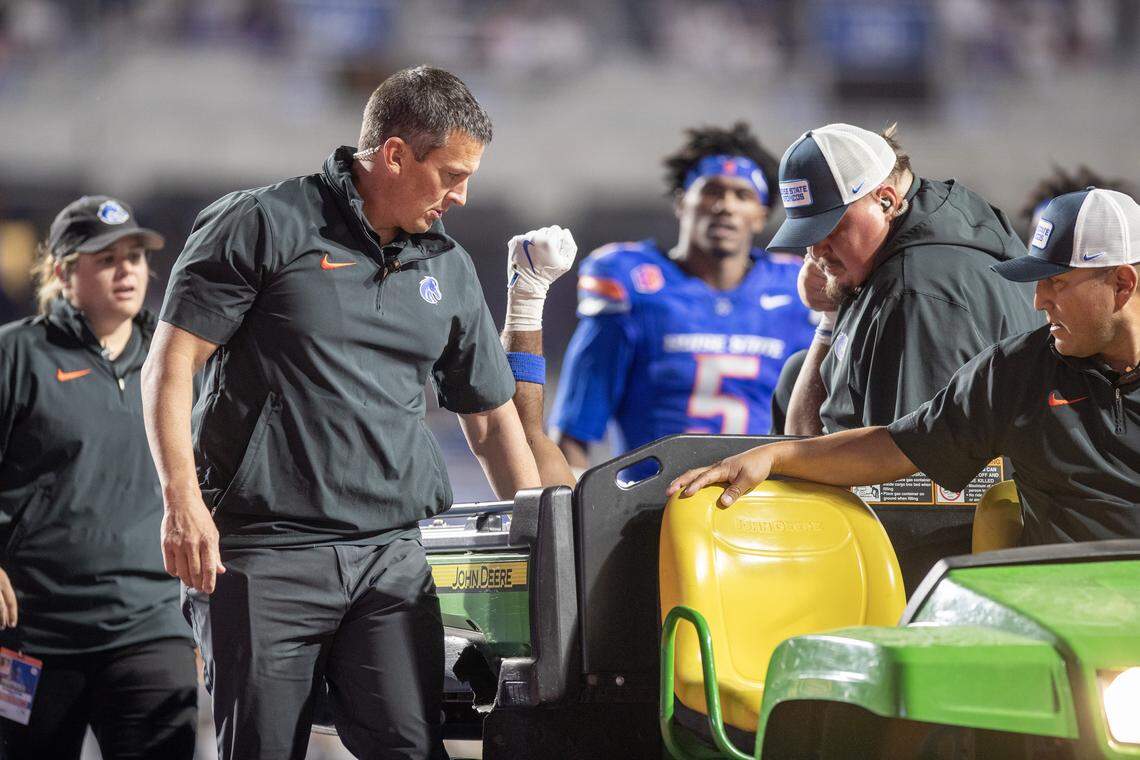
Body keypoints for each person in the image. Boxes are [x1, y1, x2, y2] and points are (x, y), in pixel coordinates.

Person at [141, 65, 568, 759]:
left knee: (413, 749)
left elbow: (490, 423)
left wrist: (541, 539)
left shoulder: (448, 267)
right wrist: (181, 501)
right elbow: (170, 364)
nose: (462, 197)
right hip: (265, 553)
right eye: (451, 175)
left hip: (390, 558)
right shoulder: (263, 222)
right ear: (395, 154)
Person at [669, 188, 1140, 545]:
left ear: (1122, 284)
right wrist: (775, 456)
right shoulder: (1016, 370)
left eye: (1056, 283)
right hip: (1062, 621)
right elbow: (895, 446)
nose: (1039, 302)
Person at [0, 197, 196, 759]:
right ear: (63, 271)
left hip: (151, 625)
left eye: (135, 255)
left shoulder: (174, 360)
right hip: (35, 634)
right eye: (106, 257)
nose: (128, 269)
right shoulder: (18, 354)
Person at [550, 123, 816, 473]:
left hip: (759, 509)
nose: (725, 206)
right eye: (712, 191)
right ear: (681, 201)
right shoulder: (637, 285)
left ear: (762, 215)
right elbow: (573, 431)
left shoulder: (793, 289)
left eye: (742, 195)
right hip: (649, 508)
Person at [772, 123, 1041, 436]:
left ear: (885, 200)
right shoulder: (933, 219)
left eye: (830, 228)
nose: (816, 251)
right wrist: (831, 317)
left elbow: (908, 476)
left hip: (977, 482)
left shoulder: (915, 290)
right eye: (807, 233)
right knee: (798, 371)